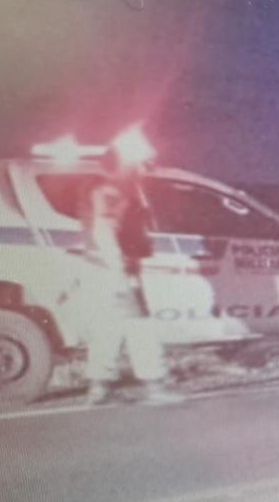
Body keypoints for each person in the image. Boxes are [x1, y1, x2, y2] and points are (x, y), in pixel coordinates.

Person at [77, 155, 181, 406]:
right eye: (137, 165)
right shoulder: (112, 192)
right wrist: (120, 273)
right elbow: (105, 231)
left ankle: (99, 389)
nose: (141, 169)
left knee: (108, 328)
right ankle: (155, 386)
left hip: (101, 270)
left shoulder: (104, 190)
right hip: (116, 270)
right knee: (140, 327)